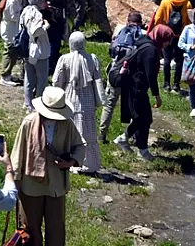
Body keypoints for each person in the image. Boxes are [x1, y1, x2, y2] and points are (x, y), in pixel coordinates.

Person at [9, 87, 86, 246]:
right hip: (30, 182)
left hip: (56, 183)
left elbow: (80, 145)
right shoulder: (28, 122)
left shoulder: (67, 125)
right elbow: (18, 153)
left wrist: (71, 162)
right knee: (30, 223)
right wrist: (14, 182)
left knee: (56, 225)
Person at [113, 26, 168, 160]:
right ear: (162, 38)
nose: (169, 44)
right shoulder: (151, 50)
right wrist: (157, 95)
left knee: (142, 118)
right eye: (168, 40)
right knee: (142, 118)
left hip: (133, 86)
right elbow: (150, 75)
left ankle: (137, 146)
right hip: (136, 88)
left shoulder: (144, 42)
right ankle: (130, 143)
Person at [52, 32, 104, 173]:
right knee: (88, 131)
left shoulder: (65, 59)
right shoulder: (92, 59)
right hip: (88, 100)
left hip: (70, 98)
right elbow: (98, 80)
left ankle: (70, 161)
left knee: (70, 130)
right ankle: (89, 164)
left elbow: (56, 81)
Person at [98, 11, 144, 143]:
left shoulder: (119, 30)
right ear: (140, 22)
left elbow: (111, 51)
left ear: (127, 21)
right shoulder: (142, 34)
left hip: (115, 72)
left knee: (109, 104)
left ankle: (102, 134)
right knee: (134, 106)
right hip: (132, 75)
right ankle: (133, 136)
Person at [149, 0, 192, 93]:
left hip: (167, 36)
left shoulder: (165, 2)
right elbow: (189, 22)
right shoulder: (187, 4)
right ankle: (176, 85)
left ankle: (166, 85)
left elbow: (157, 19)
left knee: (167, 59)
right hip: (180, 36)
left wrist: (160, 31)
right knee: (179, 60)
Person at [44, 0, 86, 69]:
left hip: (46, 15)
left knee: (48, 40)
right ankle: (51, 65)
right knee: (56, 41)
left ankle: (46, 62)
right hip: (57, 16)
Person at [20, 0, 51, 113]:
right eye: (44, 0)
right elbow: (35, 31)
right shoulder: (37, 14)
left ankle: (27, 103)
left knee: (29, 77)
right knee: (42, 79)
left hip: (27, 49)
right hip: (39, 51)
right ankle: (38, 103)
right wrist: (46, 26)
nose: (46, 3)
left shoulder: (26, 10)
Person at [0, 0, 27, 86]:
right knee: (9, 52)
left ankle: (8, 74)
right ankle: (5, 76)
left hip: (12, 28)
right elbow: (13, 16)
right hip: (10, 29)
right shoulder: (12, 0)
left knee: (13, 52)